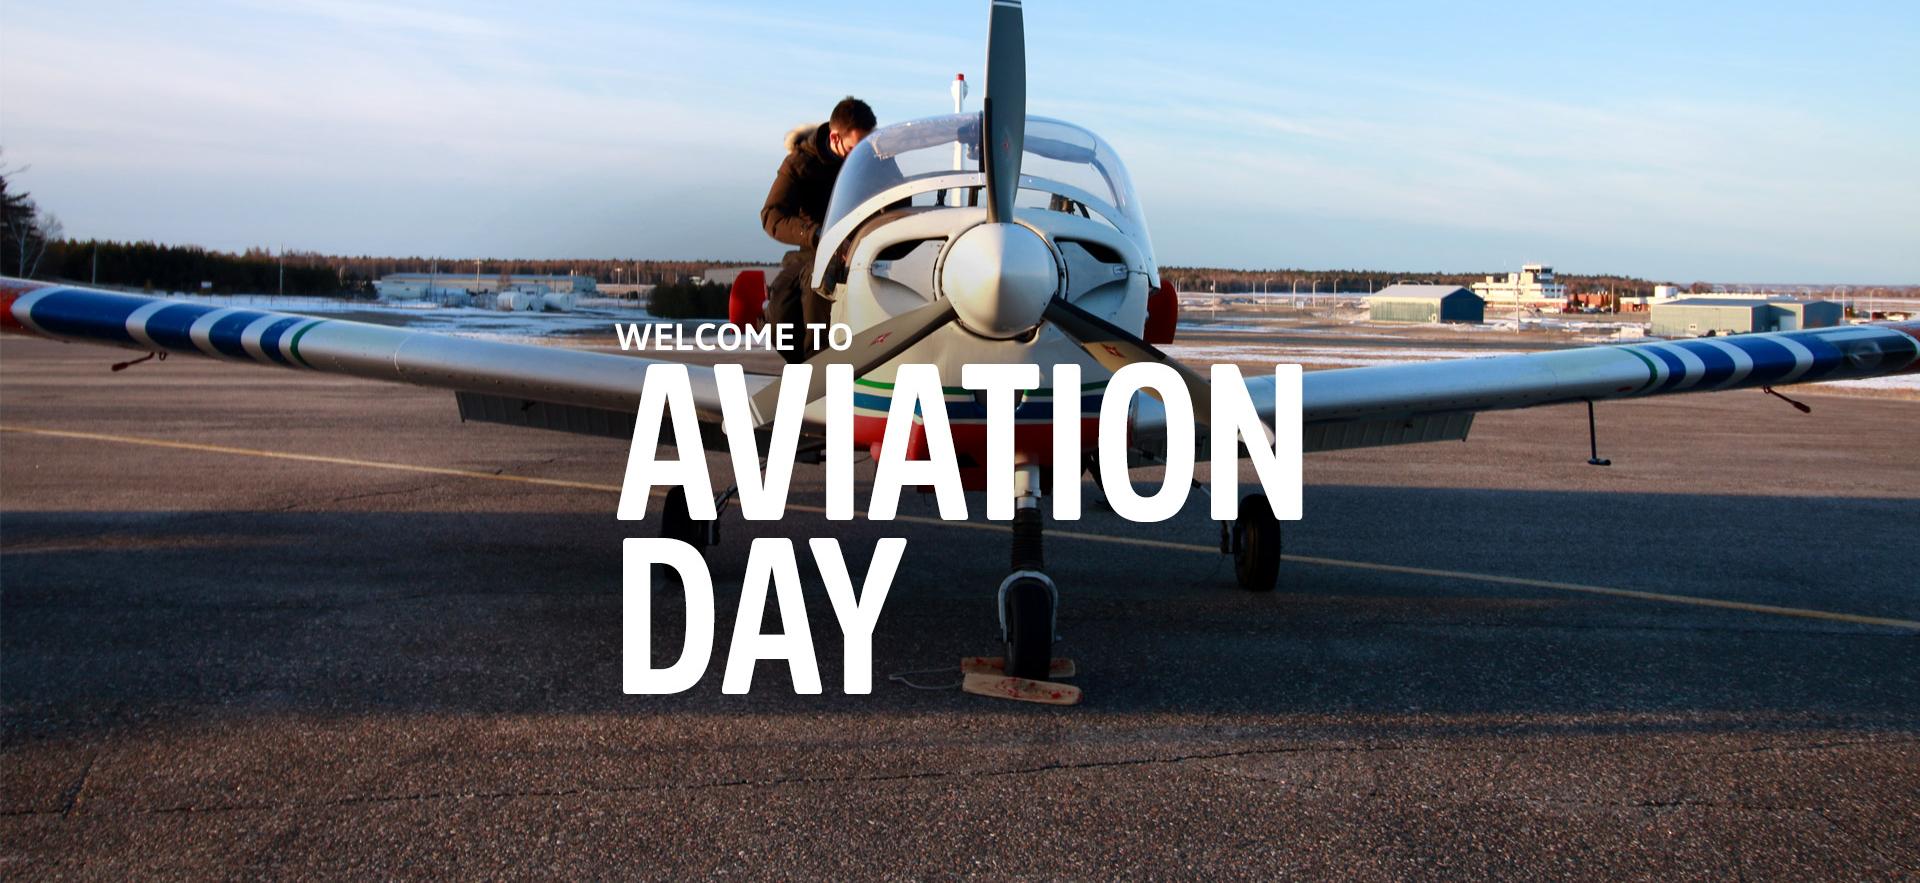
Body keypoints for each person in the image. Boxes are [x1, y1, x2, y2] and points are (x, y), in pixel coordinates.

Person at [760, 96, 875, 362]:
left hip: (858, 253)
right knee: (781, 309)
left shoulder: (874, 161)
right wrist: (819, 235)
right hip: (811, 248)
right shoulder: (800, 164)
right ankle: (801, 369)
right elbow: (772, 216)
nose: (860, 156)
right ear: (835, 139)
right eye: (854, 148)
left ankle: (819, 368)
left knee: (817, 289)